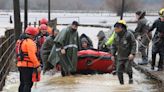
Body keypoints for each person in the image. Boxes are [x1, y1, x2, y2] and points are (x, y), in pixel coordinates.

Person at [111, 20, 136, 85]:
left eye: (116, 29)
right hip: (120, 56)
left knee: (128, 69)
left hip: (128, 56)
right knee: (119, 71)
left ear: (120, 28)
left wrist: (132, 53)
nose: (115, 30)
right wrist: (112, 54)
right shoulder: (116, 36)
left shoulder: (129, 34)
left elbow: (134, 44)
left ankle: (130, 78)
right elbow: (113, 46)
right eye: (114, 29)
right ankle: (121, 85)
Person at [16, 26, 41, 92]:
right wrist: (37, 65)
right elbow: (32, 55)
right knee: (28, 84)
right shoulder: (30, 42)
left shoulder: (20, 41)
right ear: (32, 35)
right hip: (27, 66)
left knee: (22, 83)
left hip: (20, 65)